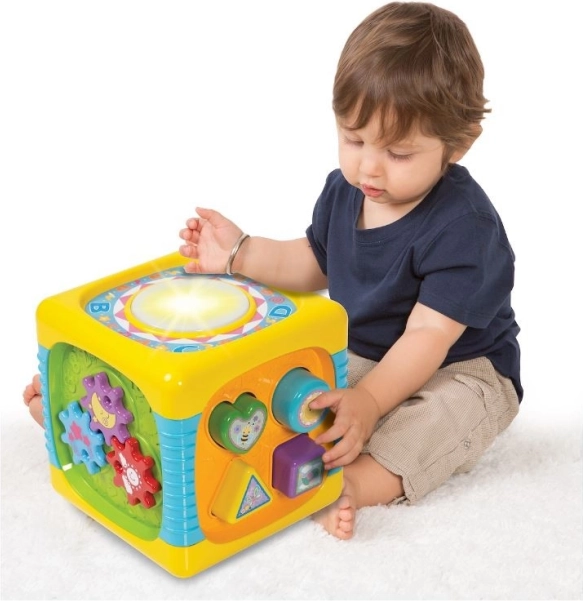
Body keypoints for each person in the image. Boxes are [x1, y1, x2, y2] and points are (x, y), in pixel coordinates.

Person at [23, 2, 521, 541]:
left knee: (434, 419)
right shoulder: (345, 191)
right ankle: (104, 428)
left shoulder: (465, 227)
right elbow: (311, 261)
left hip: (463, 369)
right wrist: (239, 254)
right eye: (354, 139)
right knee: (288, 393)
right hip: (363, 353)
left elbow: (427, 335)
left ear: (458, 145)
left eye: (398, 153)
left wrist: (373, 401)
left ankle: (353, 484)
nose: (368, 167)